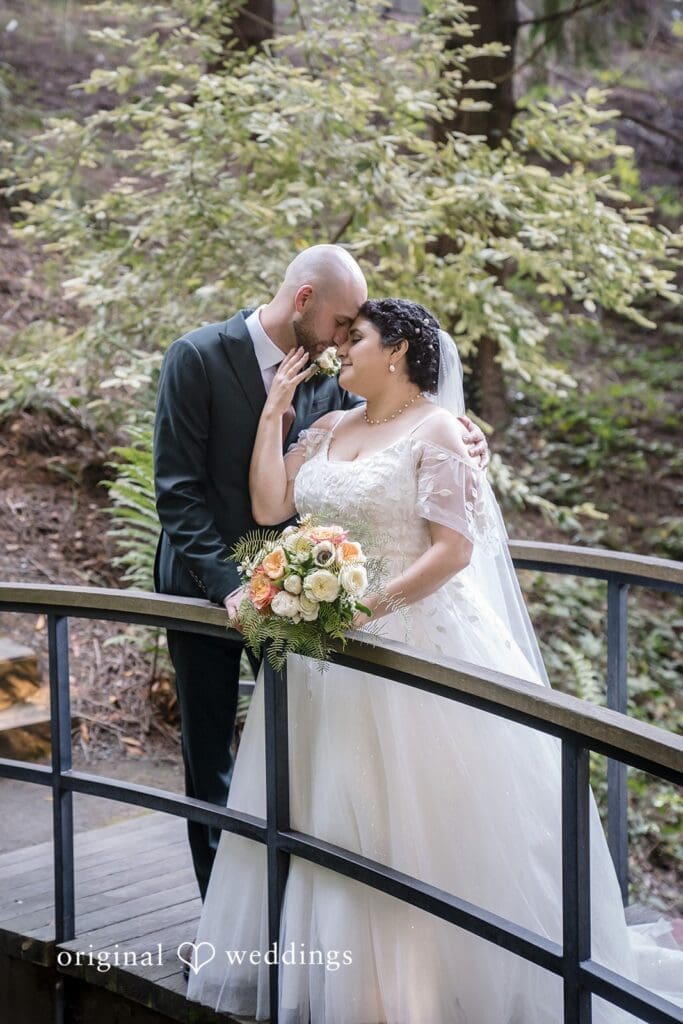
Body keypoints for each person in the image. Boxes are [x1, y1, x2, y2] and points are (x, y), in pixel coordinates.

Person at [186, 298, 682, 1022]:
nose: (339, 351)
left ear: (395, 352)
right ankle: (354, 991)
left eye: (353, 339)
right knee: (332, 815)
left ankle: (442, 991)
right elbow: (270, 507)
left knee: (423, 821)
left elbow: (452, 551)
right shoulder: (327, 424)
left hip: (415, 640)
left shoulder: (441, 430)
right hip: (328, 657)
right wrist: (274, 414)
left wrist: (362, 609)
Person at [153, 252, 488, 901]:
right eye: (340, 322)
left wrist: (469, 441)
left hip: (308, 597)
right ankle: (221, 914)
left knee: (302, 756)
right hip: (204, 588)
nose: (343, 340)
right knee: (210, 754)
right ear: (303, 299)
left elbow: (395, 428)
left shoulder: (335, 381)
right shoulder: (195, 357)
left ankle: (289, 905)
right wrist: (231, 584)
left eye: (352, 331)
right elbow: (177, 495)